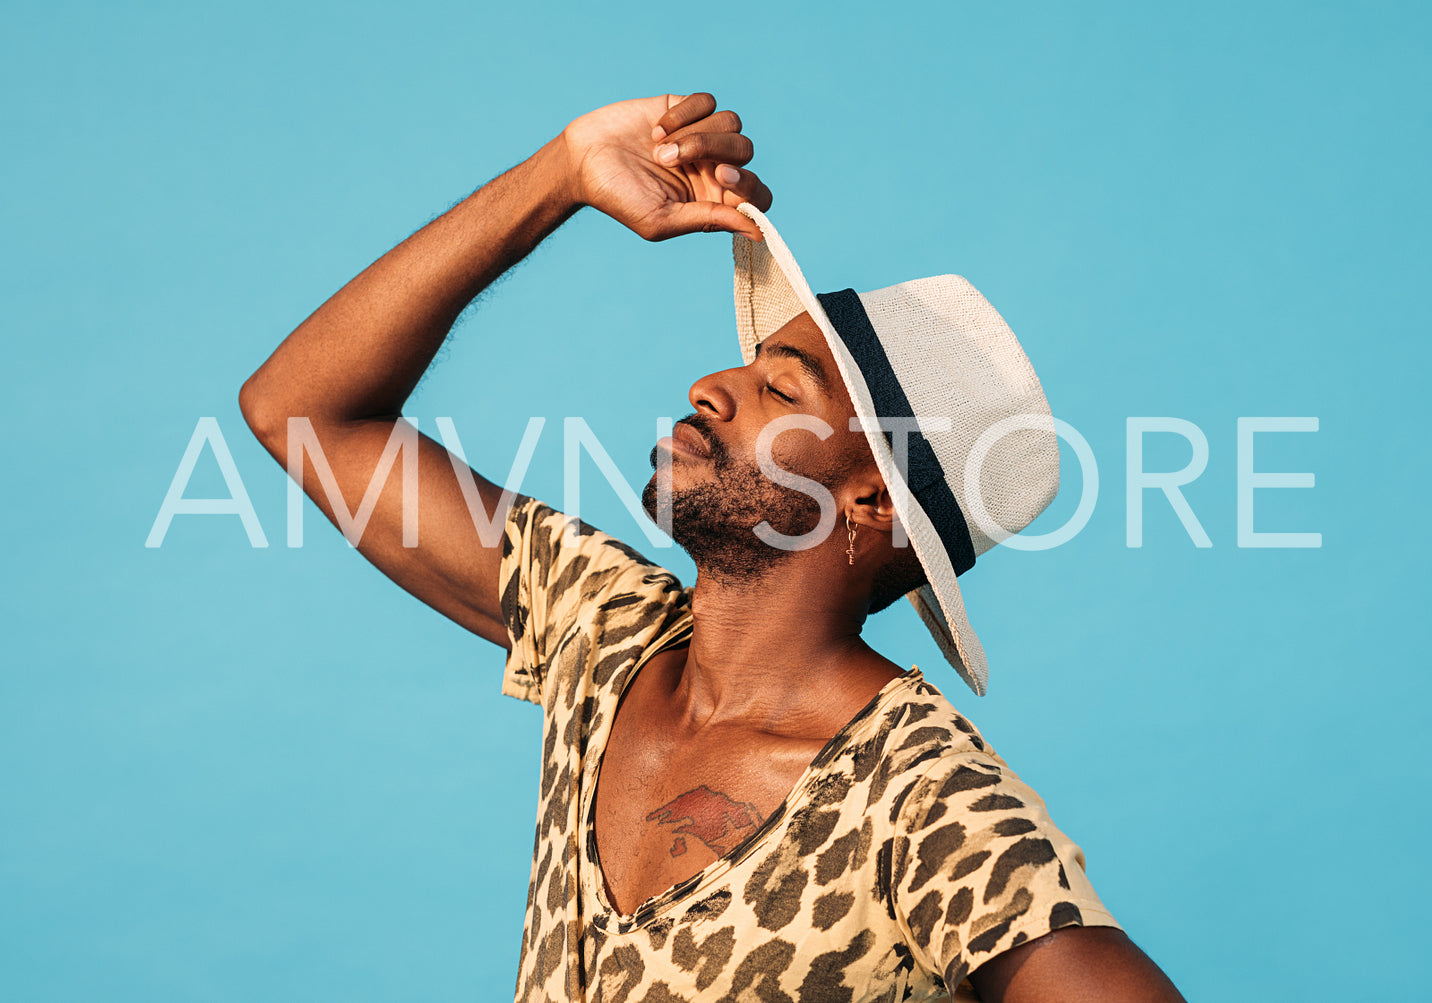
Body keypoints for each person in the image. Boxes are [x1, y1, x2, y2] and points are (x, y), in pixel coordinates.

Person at [241, 92, 1184, 1003]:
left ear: (865, 501)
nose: (706, 385)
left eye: (782, 388)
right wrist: (560, 174)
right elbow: (304, 412)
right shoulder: (607, 635)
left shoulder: (922, 801)